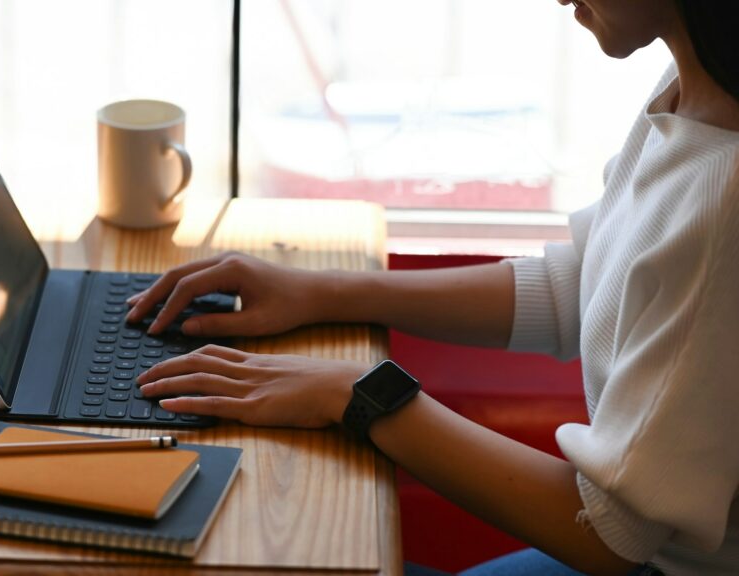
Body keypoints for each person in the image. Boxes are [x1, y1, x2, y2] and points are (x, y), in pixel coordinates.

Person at [125, 0, 739, 574]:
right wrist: (323, 291)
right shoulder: (691, 85)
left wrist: (357, 395)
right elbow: (576, 289)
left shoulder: (724, 199)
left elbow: (612, 534)